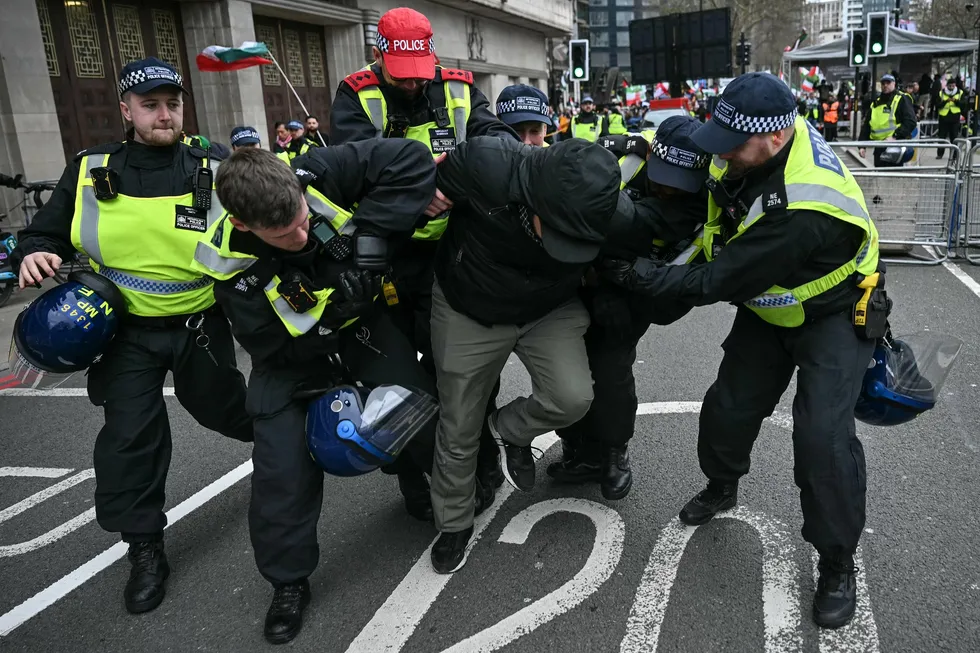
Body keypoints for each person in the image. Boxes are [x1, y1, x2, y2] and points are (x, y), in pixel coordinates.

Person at [599, 72, 881, 629]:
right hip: (770, 304)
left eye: (731, 144)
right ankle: (721, 484)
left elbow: (717, 279)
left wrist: (641, 278)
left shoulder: (802, 206)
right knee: (728, 406)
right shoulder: (760, 138)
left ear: (774, 140)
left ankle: (836, 561)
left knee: (822, 439)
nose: (719, 153)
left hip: (832, 312)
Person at [9, 57, 252, 615]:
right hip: (124, 335)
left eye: (173, 103)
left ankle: (285, 449)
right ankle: (145, 549)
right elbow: (42, 232)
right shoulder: (91, 168)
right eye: (150, 105)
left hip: (199, 325)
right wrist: (34, 252)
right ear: (126, 111)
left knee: (227, 411)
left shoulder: (214, 163)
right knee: (130, 439)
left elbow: (263, 221)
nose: (164, 114)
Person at [192, 144, 442, 644]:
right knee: (281, 471)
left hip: (361, 329)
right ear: (245, 225)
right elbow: (272, 346)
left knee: (414, 407)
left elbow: (412, 159)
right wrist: (332, 314)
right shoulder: (228, 262)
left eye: (304, 220)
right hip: (292, 358)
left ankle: (416, 481)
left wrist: (369, 231)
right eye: (286, 235)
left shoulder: (316, 176)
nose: (303, 235)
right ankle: (288, 582)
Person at [329, 6, 515, 504]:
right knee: (398, 379)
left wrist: (453, 179)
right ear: (378, 56)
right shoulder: (355, 96)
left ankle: (481, 455)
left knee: (467, 366)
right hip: (388, 255)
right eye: (402, 76)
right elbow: (354, 169)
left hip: (456, 251)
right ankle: (412, 473)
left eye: (421, 74)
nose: (413, 85)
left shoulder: (457, 88)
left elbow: (497, 142)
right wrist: (418, 191)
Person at [427, 137, 622, 574]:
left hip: (548, 307)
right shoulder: (483, 163)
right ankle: (454, 522)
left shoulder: (611, 210)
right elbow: (422, 189)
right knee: (459, 422)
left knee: (572, 397)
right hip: (469, 304)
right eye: (556, 231)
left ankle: (509, 431)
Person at [550, 119, 709, 499]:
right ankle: (577, 449)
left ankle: (612, 453)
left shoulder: (706, 202)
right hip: (580, 275)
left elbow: (680, 274)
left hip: (637, 291)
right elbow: (584, 216)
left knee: (610, 371)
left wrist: (627, 278)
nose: (668, 187)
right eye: (663, 175)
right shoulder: (624, 162)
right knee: (563, 370)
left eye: (679, 182)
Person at [858, 73, 917, 167]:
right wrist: (862, 145)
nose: (885, 85)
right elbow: (867, 125)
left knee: (892, 178)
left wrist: (895, 136)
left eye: (888, 83)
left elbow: (910, 122)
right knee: (880, 177)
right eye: (883, 83)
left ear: (894, 84)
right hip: (879, 147)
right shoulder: (876, 102)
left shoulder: (901, 99)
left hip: (894, 147)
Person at [936, 78, 966, 157]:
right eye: (950, 86)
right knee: (942, 137)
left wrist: (956, 101)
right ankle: (940, 154)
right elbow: (937, 105)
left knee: (954, 137)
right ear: (947, 85)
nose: (951, 87)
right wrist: (946, 101)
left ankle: (954, 155)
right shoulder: (941, 93)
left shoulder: (960, 92)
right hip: (943, 117)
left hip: (955, 117)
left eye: (953, 86)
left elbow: (963, 105)